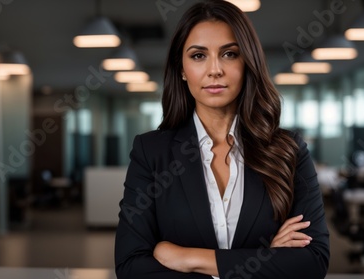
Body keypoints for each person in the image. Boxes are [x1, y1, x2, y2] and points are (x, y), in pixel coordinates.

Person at [114, 1, 330, 278]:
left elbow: (312, 263)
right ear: (181, 69)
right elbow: (131, 267)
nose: (214, 69)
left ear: (247, 62)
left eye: (229, 54)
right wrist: (266, 261)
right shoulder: (150, 152)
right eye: (198, 56)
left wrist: (188, 258)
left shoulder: (288, 150)